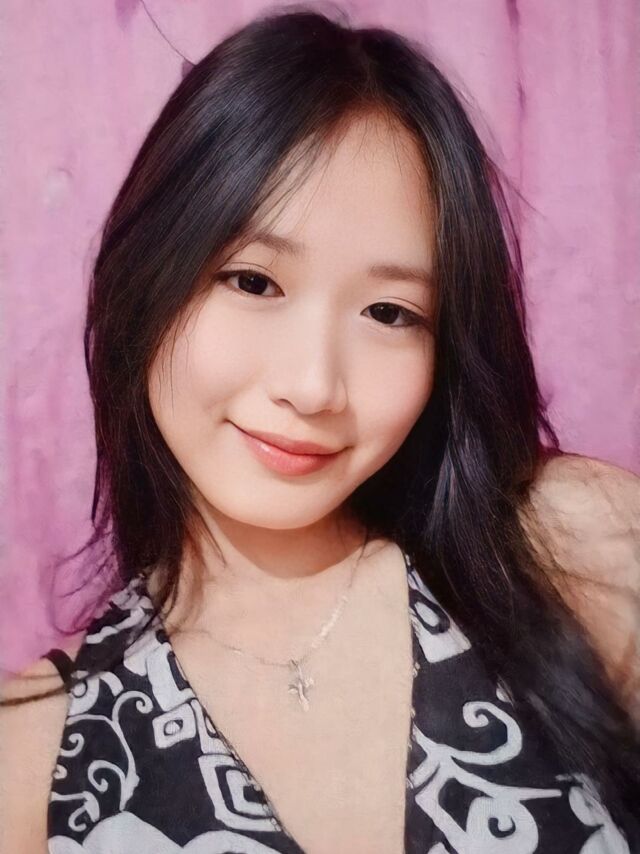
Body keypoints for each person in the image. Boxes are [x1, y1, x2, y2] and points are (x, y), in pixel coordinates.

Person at [2, 7, 639, 853]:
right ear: (142, 279)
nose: (312, 387)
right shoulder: (34, 754)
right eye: (252, 281)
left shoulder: (576, 548)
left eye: (390, 312)